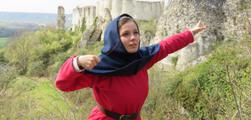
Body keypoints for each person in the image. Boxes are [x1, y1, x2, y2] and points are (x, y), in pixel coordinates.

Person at [56, 13, 207, 120]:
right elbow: (63, 84)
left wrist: (190, 33)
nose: (133, 38)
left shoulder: (143, 58)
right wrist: (77, 62)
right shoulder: (101, 67)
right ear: (115, 39)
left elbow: (166, 45)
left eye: (136, 33)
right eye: (126, 34)